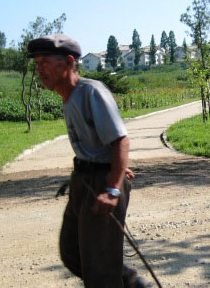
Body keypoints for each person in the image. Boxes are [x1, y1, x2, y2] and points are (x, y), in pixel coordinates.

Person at [27, 34, 145, 287]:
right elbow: (102, 143)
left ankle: (121, 281)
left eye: (45, 61)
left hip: (102, 183)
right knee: (72, 251)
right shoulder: (69, 97)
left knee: (98, 266)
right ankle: (131, 283)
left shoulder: (91, 92)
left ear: (69, 62)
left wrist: (113, 186)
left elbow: (120, 140)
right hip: (84, 178)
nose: (39, 69)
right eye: (37, 63)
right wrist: (115, 165)